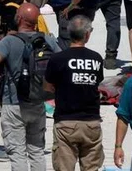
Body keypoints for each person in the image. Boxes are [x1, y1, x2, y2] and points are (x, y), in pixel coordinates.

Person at [0, 3, 61, 171]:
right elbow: (61, 61)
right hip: (38, 101)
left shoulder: (9, 41)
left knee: (17, 152)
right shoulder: (47, 39)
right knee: (37, 151)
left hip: (13, 102)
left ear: (19, 18)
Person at [44, 15, 104, 171]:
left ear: (69, 33)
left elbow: (48, 86)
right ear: (87, 35)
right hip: (91, 121)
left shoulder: (58, 58)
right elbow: (97, 84)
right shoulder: (96, 59)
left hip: (66, 121)